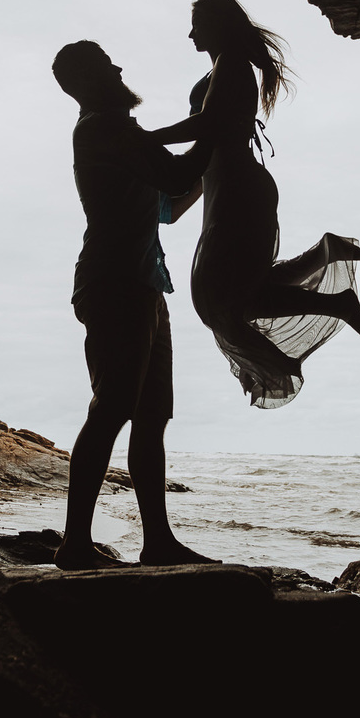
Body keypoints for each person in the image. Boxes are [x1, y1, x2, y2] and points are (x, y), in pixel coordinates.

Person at [148, 0, 360, 409]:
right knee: (228, 292)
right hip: (228, 185)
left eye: (197, 23)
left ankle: (334, 297)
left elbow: (209, 124)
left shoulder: (232, 62)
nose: (190, 33)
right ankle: (325, 263)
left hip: (237, 185)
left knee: (218, 298)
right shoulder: (227, 66)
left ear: (218, 24)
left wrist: (144, 140)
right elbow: (208, 137)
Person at [51, 40, 213, 571]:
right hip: (114, 283)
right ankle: (75, 544)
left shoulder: (121, 135)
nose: (119, 68)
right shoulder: (101, 127)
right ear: (88, 80)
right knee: (114, 407)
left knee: (151, 414)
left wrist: (206, 154)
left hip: (142, 285)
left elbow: (166, 204)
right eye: (106, 64)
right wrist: (216, 129)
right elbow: (172, 173)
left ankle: (157, 542)